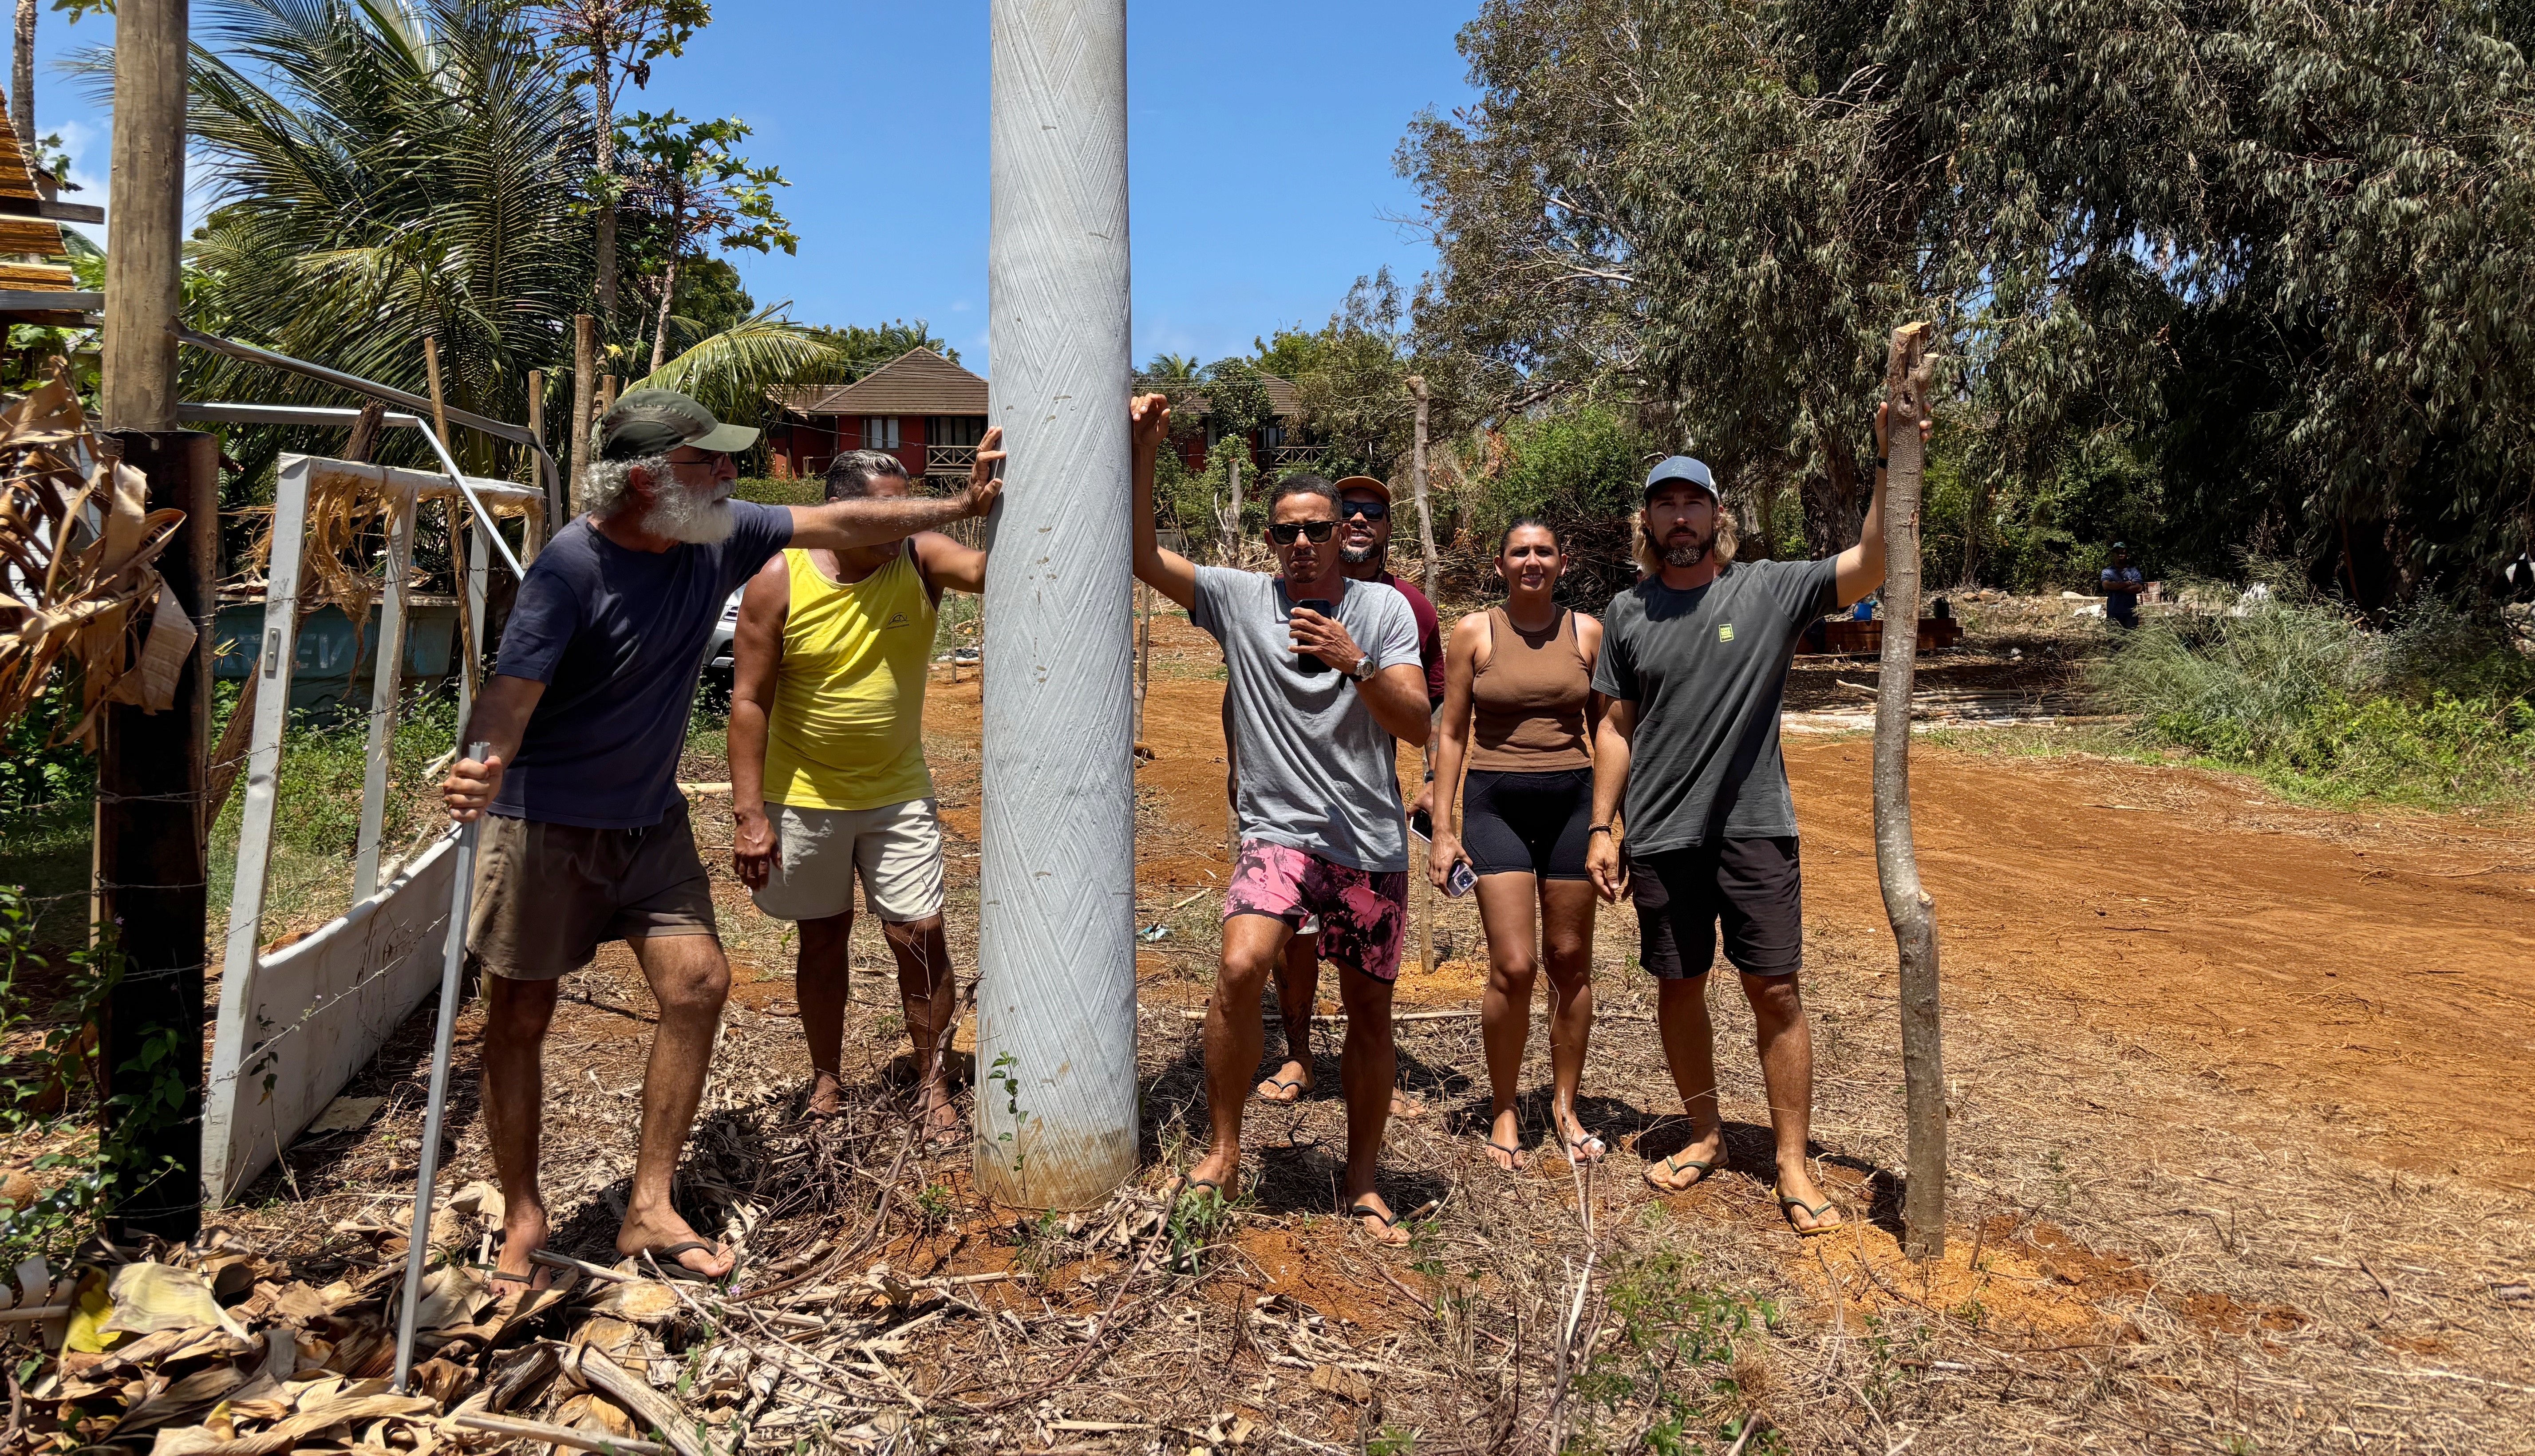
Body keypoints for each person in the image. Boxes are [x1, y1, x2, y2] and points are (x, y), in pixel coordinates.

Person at [439, 390, 1006, 1287]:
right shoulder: (570, 569)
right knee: (520, 1017)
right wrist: (484, 758)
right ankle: (522, 1213)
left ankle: (650, 1205)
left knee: (699, 981)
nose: (733, 477)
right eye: (713, 463)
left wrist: (958, 506)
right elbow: (512, 692)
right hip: (543, 822)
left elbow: (841, 512)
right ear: (647, 479)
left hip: (648, 819)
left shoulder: (720, 531)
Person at [1584, 406, 1927, 1238]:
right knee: (1679, 984)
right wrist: (1603, 826)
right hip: (1661, 830)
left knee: (1773, 987)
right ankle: (1705, 1133)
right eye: (1663, 505)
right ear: (1647, 523)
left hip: (1753, 825)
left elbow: (1873, 559)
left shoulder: (1768, 589)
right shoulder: (1627, 614)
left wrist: (1888, 459)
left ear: (1716, 516)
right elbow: (1614, 726)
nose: (1678, 518)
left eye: (1691, 503)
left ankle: (1791, 1161)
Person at [1129, 395, 1432, 1244]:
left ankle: (1362, 1180)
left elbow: (1417, 722)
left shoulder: (1381, 613)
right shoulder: (1238, 600)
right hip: (1277, 834)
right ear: (1268, 542)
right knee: (1240, 965)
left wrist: (1353, 661)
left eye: (1317, 530)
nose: (1300, 545)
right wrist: (1145, 450)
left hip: (1367, 842)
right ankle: (1224, 1151)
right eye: (1284, 533)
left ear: (1347, 536)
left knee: (1369, 1015)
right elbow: (1142, 554)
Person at [727, 440, 1002, 1140]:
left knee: (921, 935)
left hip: (898, 790)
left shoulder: (919, 557)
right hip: (804, 796)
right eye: (886, 512)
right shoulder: (778, 580)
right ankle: (826, 1077)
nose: (902, 524)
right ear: (837, 514)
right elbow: (750, 700)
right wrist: (750, 813)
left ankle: (933, 1078)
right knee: (824, 939)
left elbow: (997, 570)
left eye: (912, 510)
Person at [1253, 473, 1444, 1117]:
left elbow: (1431, 708)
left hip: (1363, 808)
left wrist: (1432, 784)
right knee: (1293, 939)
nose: (1360, 521)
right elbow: (1249, 679)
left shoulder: (1407, 608)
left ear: (1386, 527)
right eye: (1351, 509)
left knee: (1365, 964)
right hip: (1285, 809)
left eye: (1373, 512)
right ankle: (1299, 1053)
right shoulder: (1283, 594)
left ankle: (1375, 1078)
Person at [1426, 519, 1606, 1170]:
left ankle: (1565, 1105)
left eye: (1544, 551)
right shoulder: (1476, 632)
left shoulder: (1588, 633)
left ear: (1563, 560)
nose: (1532, 561)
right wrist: (1444, 828)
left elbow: (1609, 733)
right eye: (1519, 552)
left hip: (1573, 803)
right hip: (1493, 804)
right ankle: (1505, 1106)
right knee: (1514, 964)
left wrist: (1610, 825)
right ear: (1500, 563)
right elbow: (1451, 734)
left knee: (1568, 959)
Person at [2101, 543, 2145, 628]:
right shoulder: (2107, 572)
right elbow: (2106, 586)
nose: (2120, 555)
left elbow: (2139, 588)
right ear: (2113, 555)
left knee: (2131, 639)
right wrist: (2127, 584)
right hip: (2113, 614)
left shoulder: (2134, 572)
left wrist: (2115, 586)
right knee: (2113, 640)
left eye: (2123, 553)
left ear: (2127, 555)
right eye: (2118, 553)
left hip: (2130, 614)